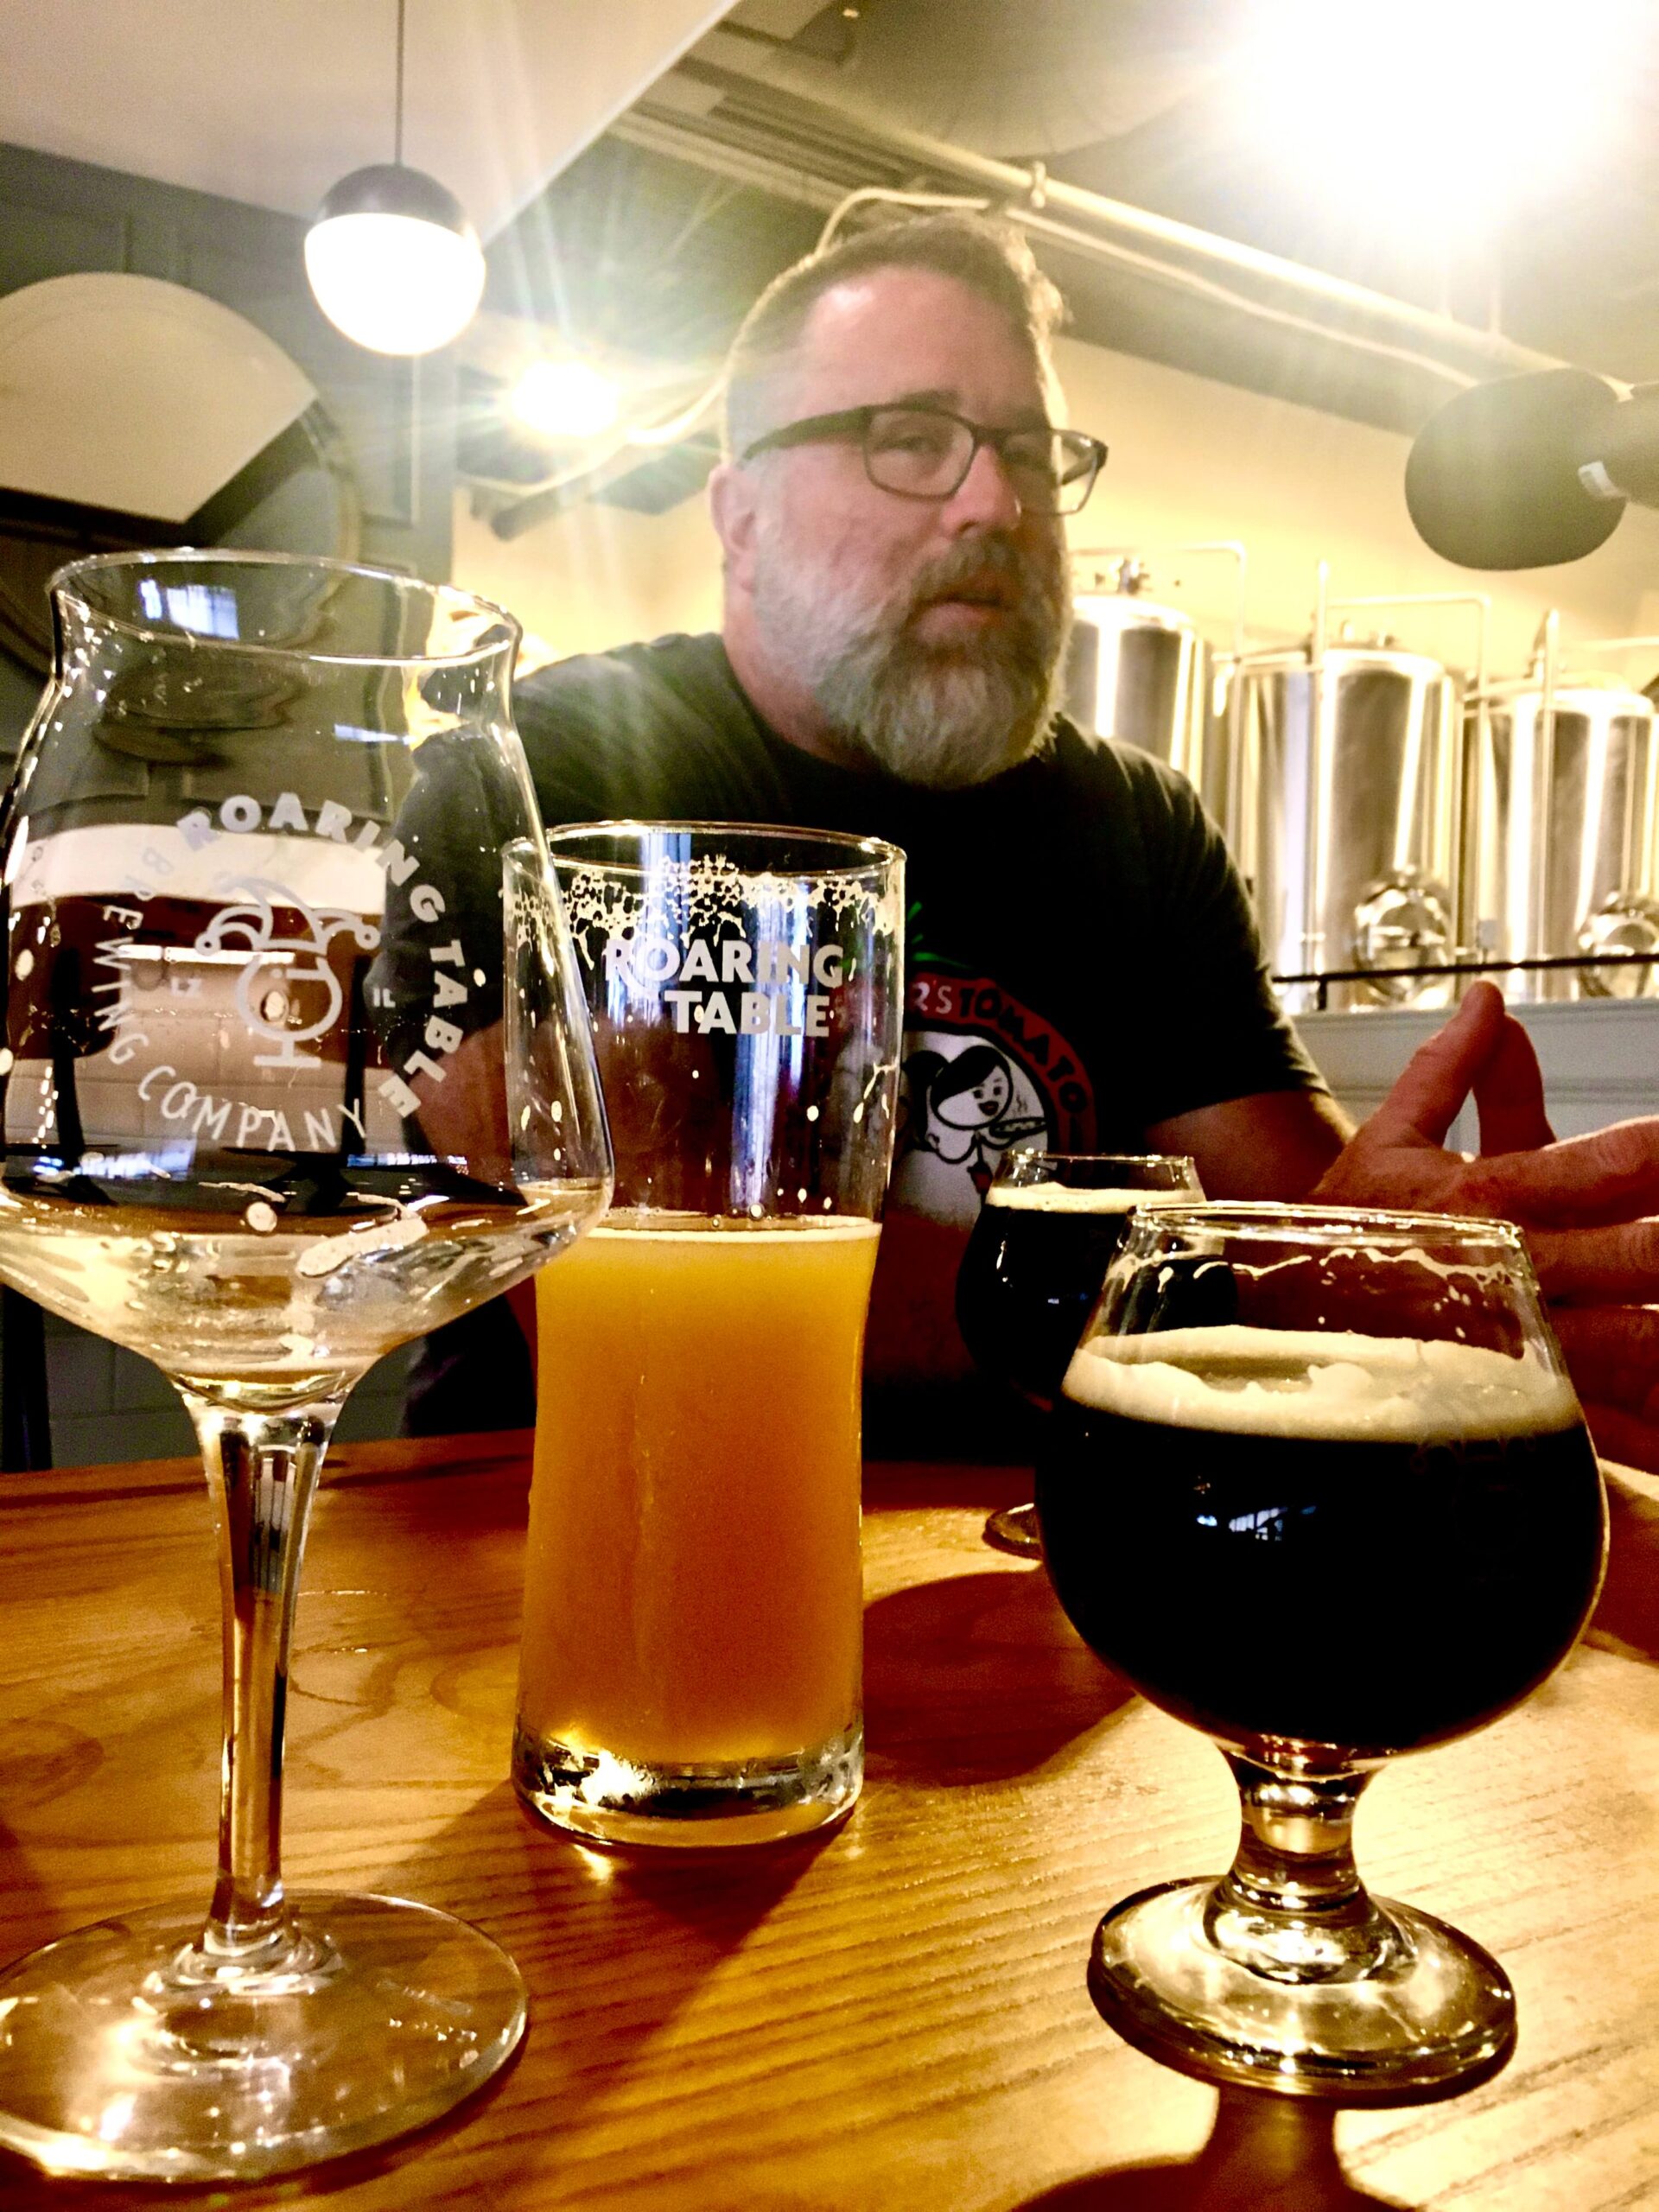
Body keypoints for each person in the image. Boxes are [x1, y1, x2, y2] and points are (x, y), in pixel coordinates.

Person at [411, 213, 1659, 1472]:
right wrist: (1275, 1293)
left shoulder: (1138, 822)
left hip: (1041, 1546)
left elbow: (1308, 1231)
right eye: (911, 440)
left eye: (1027, 451)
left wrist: (1439, 1258)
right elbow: (637, 1264)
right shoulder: (559, 768)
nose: (996, 502)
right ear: (740, 516)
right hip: (557, 1518)